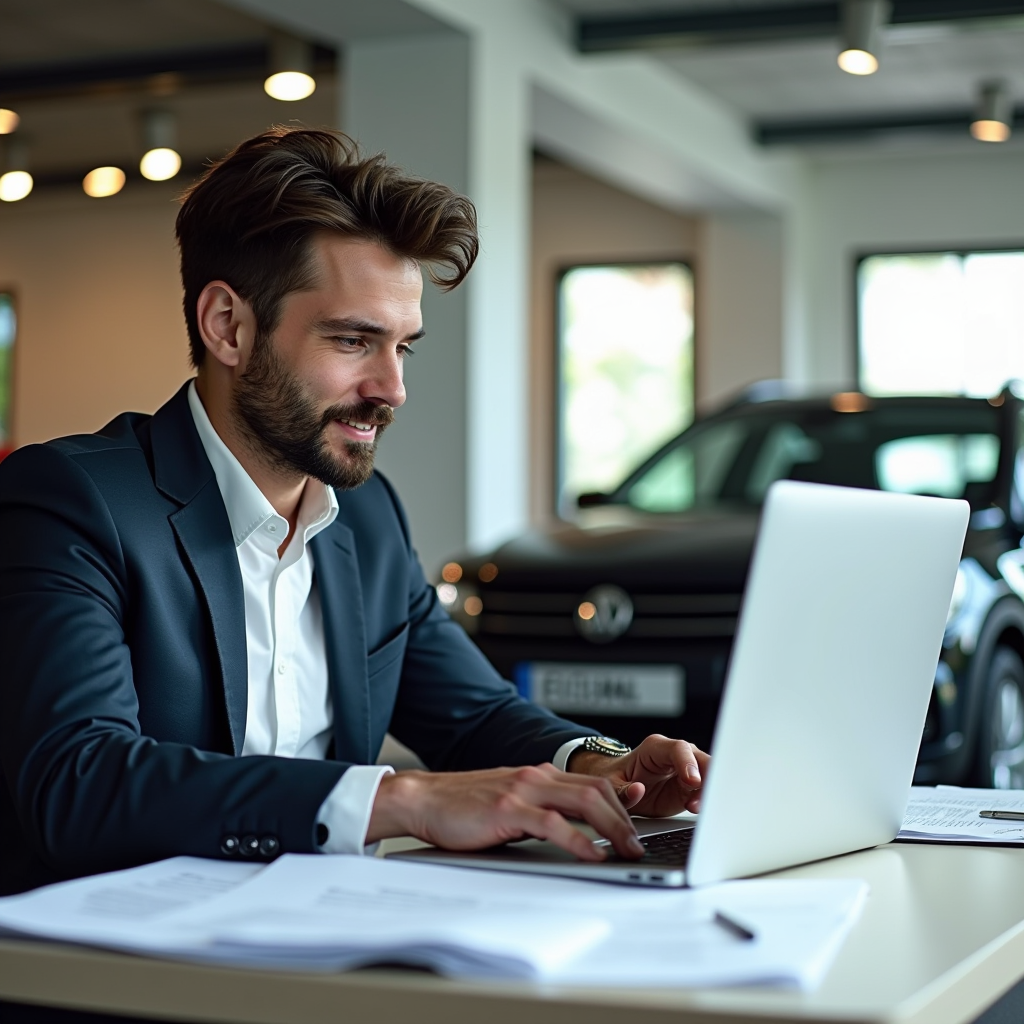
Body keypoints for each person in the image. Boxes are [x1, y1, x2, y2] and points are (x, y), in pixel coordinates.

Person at [0, 127, 709, 895]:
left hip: (322, 935)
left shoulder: (367, 520)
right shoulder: (69, 501)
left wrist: (603, 768)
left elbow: (473, 717)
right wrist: (397, 798)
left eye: (403, 347)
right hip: (108, 964)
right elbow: (79, 781)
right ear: (227, 327)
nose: (391, 388)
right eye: (353, 341)